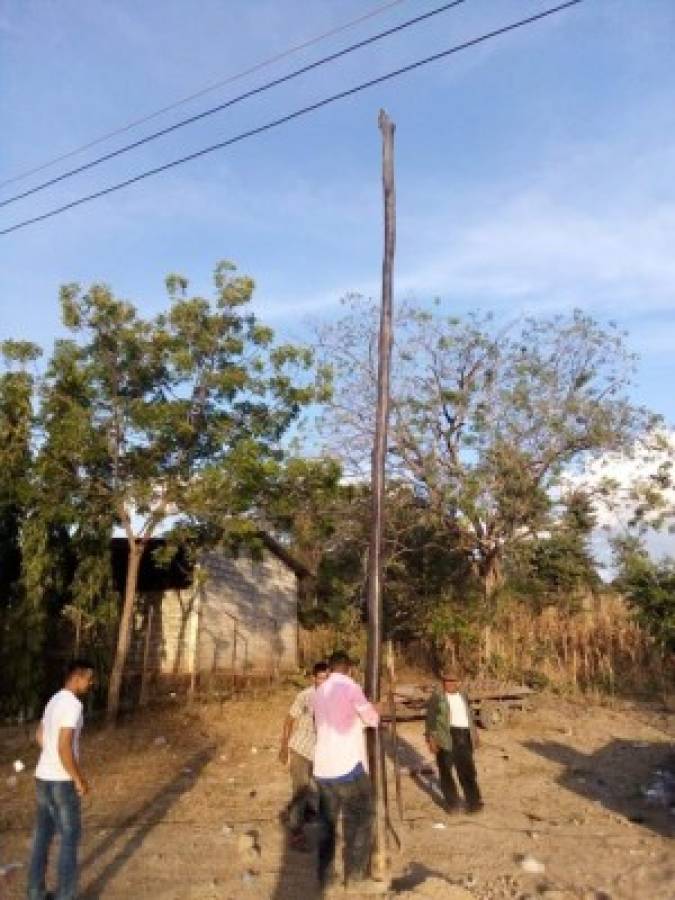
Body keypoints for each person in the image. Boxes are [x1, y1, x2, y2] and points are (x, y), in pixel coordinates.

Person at [312, 650, 385, 895]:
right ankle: (354, 876)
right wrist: (376, 709)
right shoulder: (351, 687)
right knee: (361, 820)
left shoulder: (319, 692)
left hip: (322, 768)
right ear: (350, 669)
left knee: (327, 823)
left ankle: (325, 878)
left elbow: (338, 719)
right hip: (348, 766)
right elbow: (372, 719)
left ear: (330, 669)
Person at [27, 658, 95, 900]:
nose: (90, 683)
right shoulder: (73, 705)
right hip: (61, 781)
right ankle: (65, 895)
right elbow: (64, 745)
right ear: (77, 677)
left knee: (42, 836)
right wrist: (78, 779)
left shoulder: (54, 700)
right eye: (88, 678)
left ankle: (35, 893)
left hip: (43, 777)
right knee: (69, 838)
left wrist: (50, 758)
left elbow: (39, 736)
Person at [278, 661, 329, 851]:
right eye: (321, 678)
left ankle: (302, 815)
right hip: (301, 749)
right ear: (313, 678)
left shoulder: (333, 698)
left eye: (327, 678)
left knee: (317, 790)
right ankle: (296, 833)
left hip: (321, 752)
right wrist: (284, 747)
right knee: (300, 790)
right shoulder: (305, 696)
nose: (324, 681)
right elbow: (289, 720)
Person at [425, 668, 483, 814]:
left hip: (464, 736)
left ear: (458, 683)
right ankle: (453, 804)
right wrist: (431, 739)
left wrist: (474, 735)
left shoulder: (463, 696)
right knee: (445, 771)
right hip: (446, 736)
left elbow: (469, 717)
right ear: (442, 682)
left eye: (452, 681)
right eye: (446, 681)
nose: (448, 684)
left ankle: (474, 803)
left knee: (467, 771)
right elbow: (430, 719)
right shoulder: (437, 697)